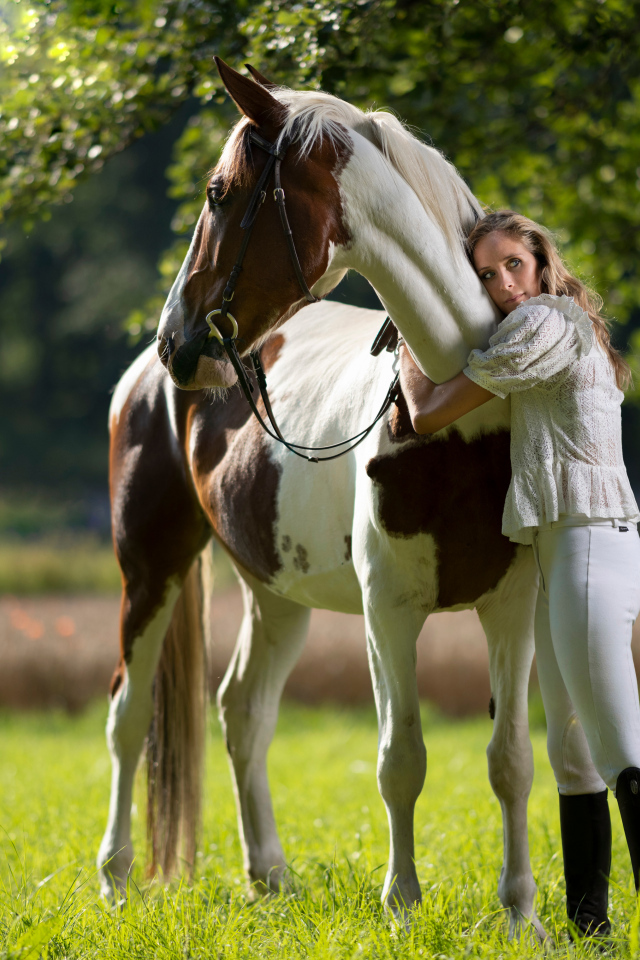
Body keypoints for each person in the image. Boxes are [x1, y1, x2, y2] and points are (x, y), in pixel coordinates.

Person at [399, 210, 640, 939]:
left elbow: (428, 414)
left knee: (620, 747)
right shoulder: (562, 327)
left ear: (540, 261)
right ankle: (589, 936)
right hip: (567, 549)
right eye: (485, 275)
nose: (502, 286)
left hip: (589, 546)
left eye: (512, 265)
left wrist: (405, 331)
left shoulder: (546, 322)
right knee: (574, 758)